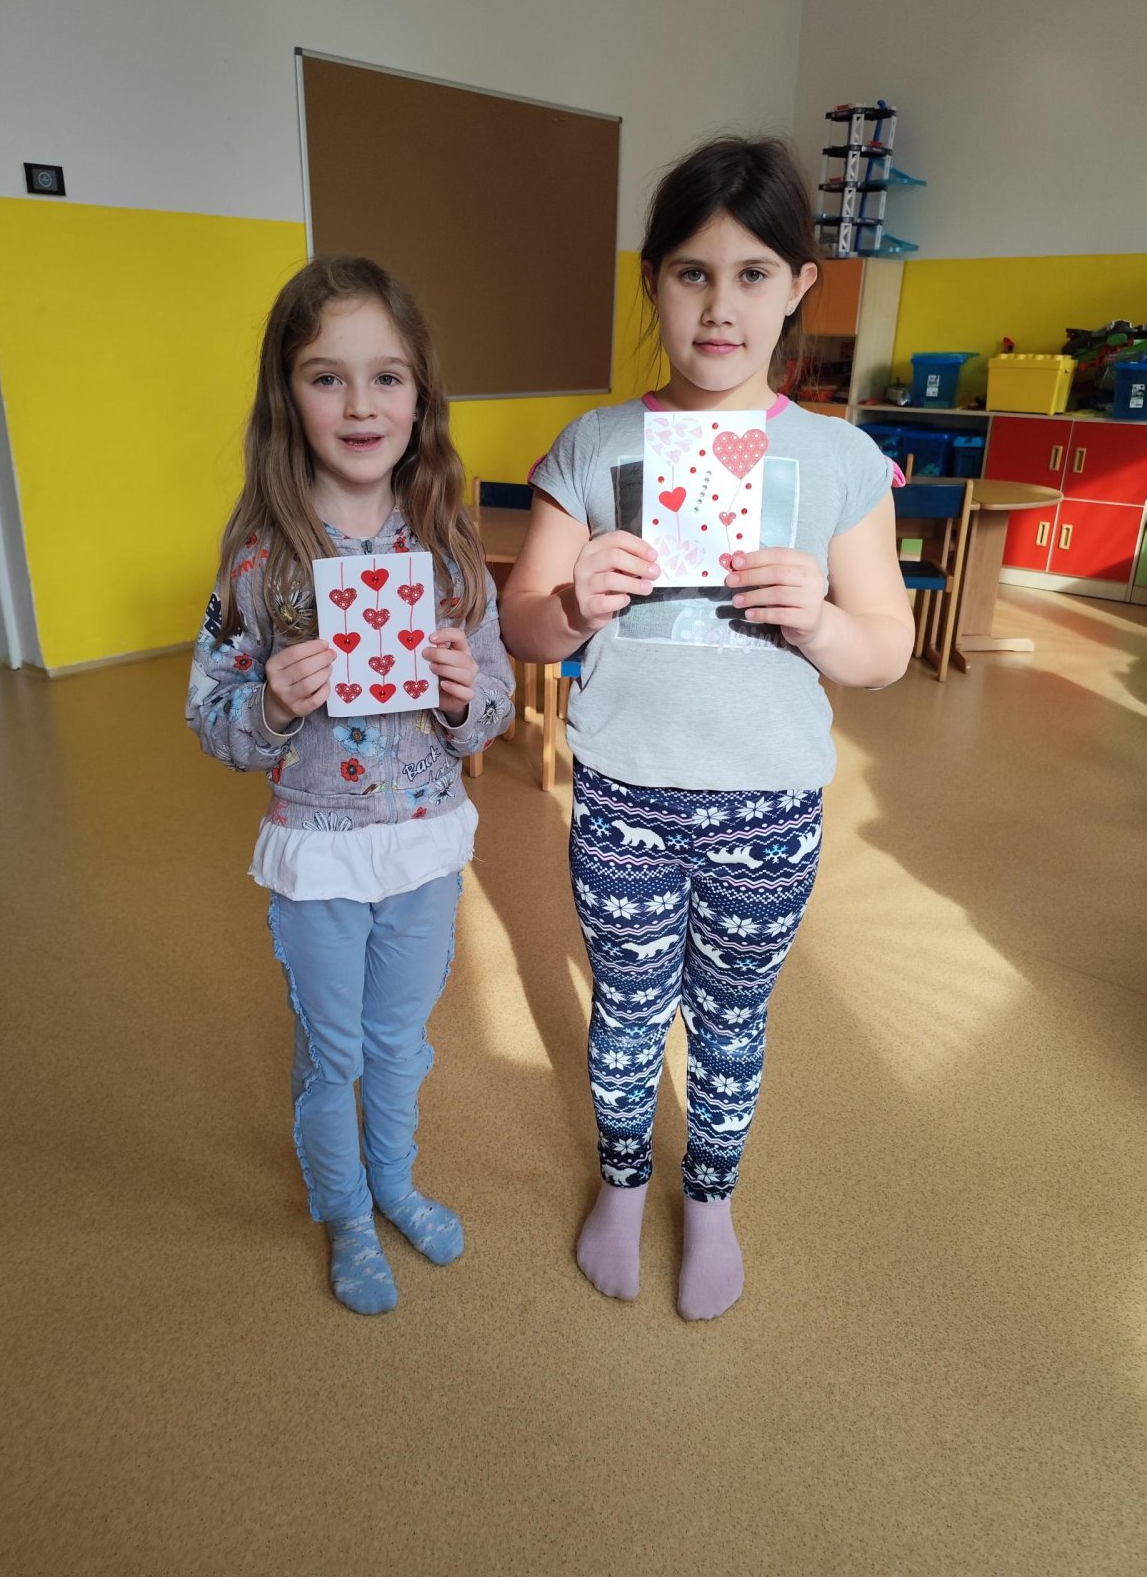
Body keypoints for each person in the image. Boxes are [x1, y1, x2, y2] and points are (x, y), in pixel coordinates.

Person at [500, 136, 913, 1321]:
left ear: (798, 286)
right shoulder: (596, 444)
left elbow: (886, 646)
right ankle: (624, 1183)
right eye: (691, 273)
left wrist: (820, 620)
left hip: (769, 806)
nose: (720, 306)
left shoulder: (838, 458)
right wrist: (574, 603)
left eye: (751, 274)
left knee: (733, 1018)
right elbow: (521, 622)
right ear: (653, 283)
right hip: (624, 795)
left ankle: (713, 1198)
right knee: (628, 1009)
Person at [187, 256, 514, 1315]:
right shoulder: (258, 560)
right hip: (318, 851)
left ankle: (394, 1182)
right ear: (288, 395)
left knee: (398, 1044)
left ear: (420, 397)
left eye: (387, 377)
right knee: (333, 1053)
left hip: (424, 844)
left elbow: (498, 702)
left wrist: (464, 700)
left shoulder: (451, 547)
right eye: (327, 377)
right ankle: (345, 1211)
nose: (361, 404)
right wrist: (274, 705)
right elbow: (212, 719)